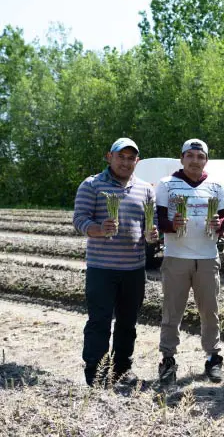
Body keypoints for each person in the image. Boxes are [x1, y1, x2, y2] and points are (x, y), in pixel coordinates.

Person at [73, 137, 158, 387]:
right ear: (109, 157)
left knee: (127, 322)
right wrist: (98, 229)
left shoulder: (145, 189)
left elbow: (148, 228)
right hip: (102, 269)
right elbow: (79, 219)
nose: (126, 161)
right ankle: (96, 373)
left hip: (134, 269)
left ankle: (122, 369)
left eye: (131, 158)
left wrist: (152, 235)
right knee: (99, 322)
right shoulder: (92, 184)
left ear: (137, 161)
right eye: (121, 156)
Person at [155, 139, 224, 384]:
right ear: (182, 158)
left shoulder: (217, 186)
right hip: (176, 257)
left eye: (200, 156)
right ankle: (167, 359)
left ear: (206, 160)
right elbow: (158, 218)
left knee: (210, 311)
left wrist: (220, 226)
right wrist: (170, 225)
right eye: (190, 155)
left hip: (207, 258)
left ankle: (212, 358)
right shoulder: (167, 184)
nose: (195, 160)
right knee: (171, 311)